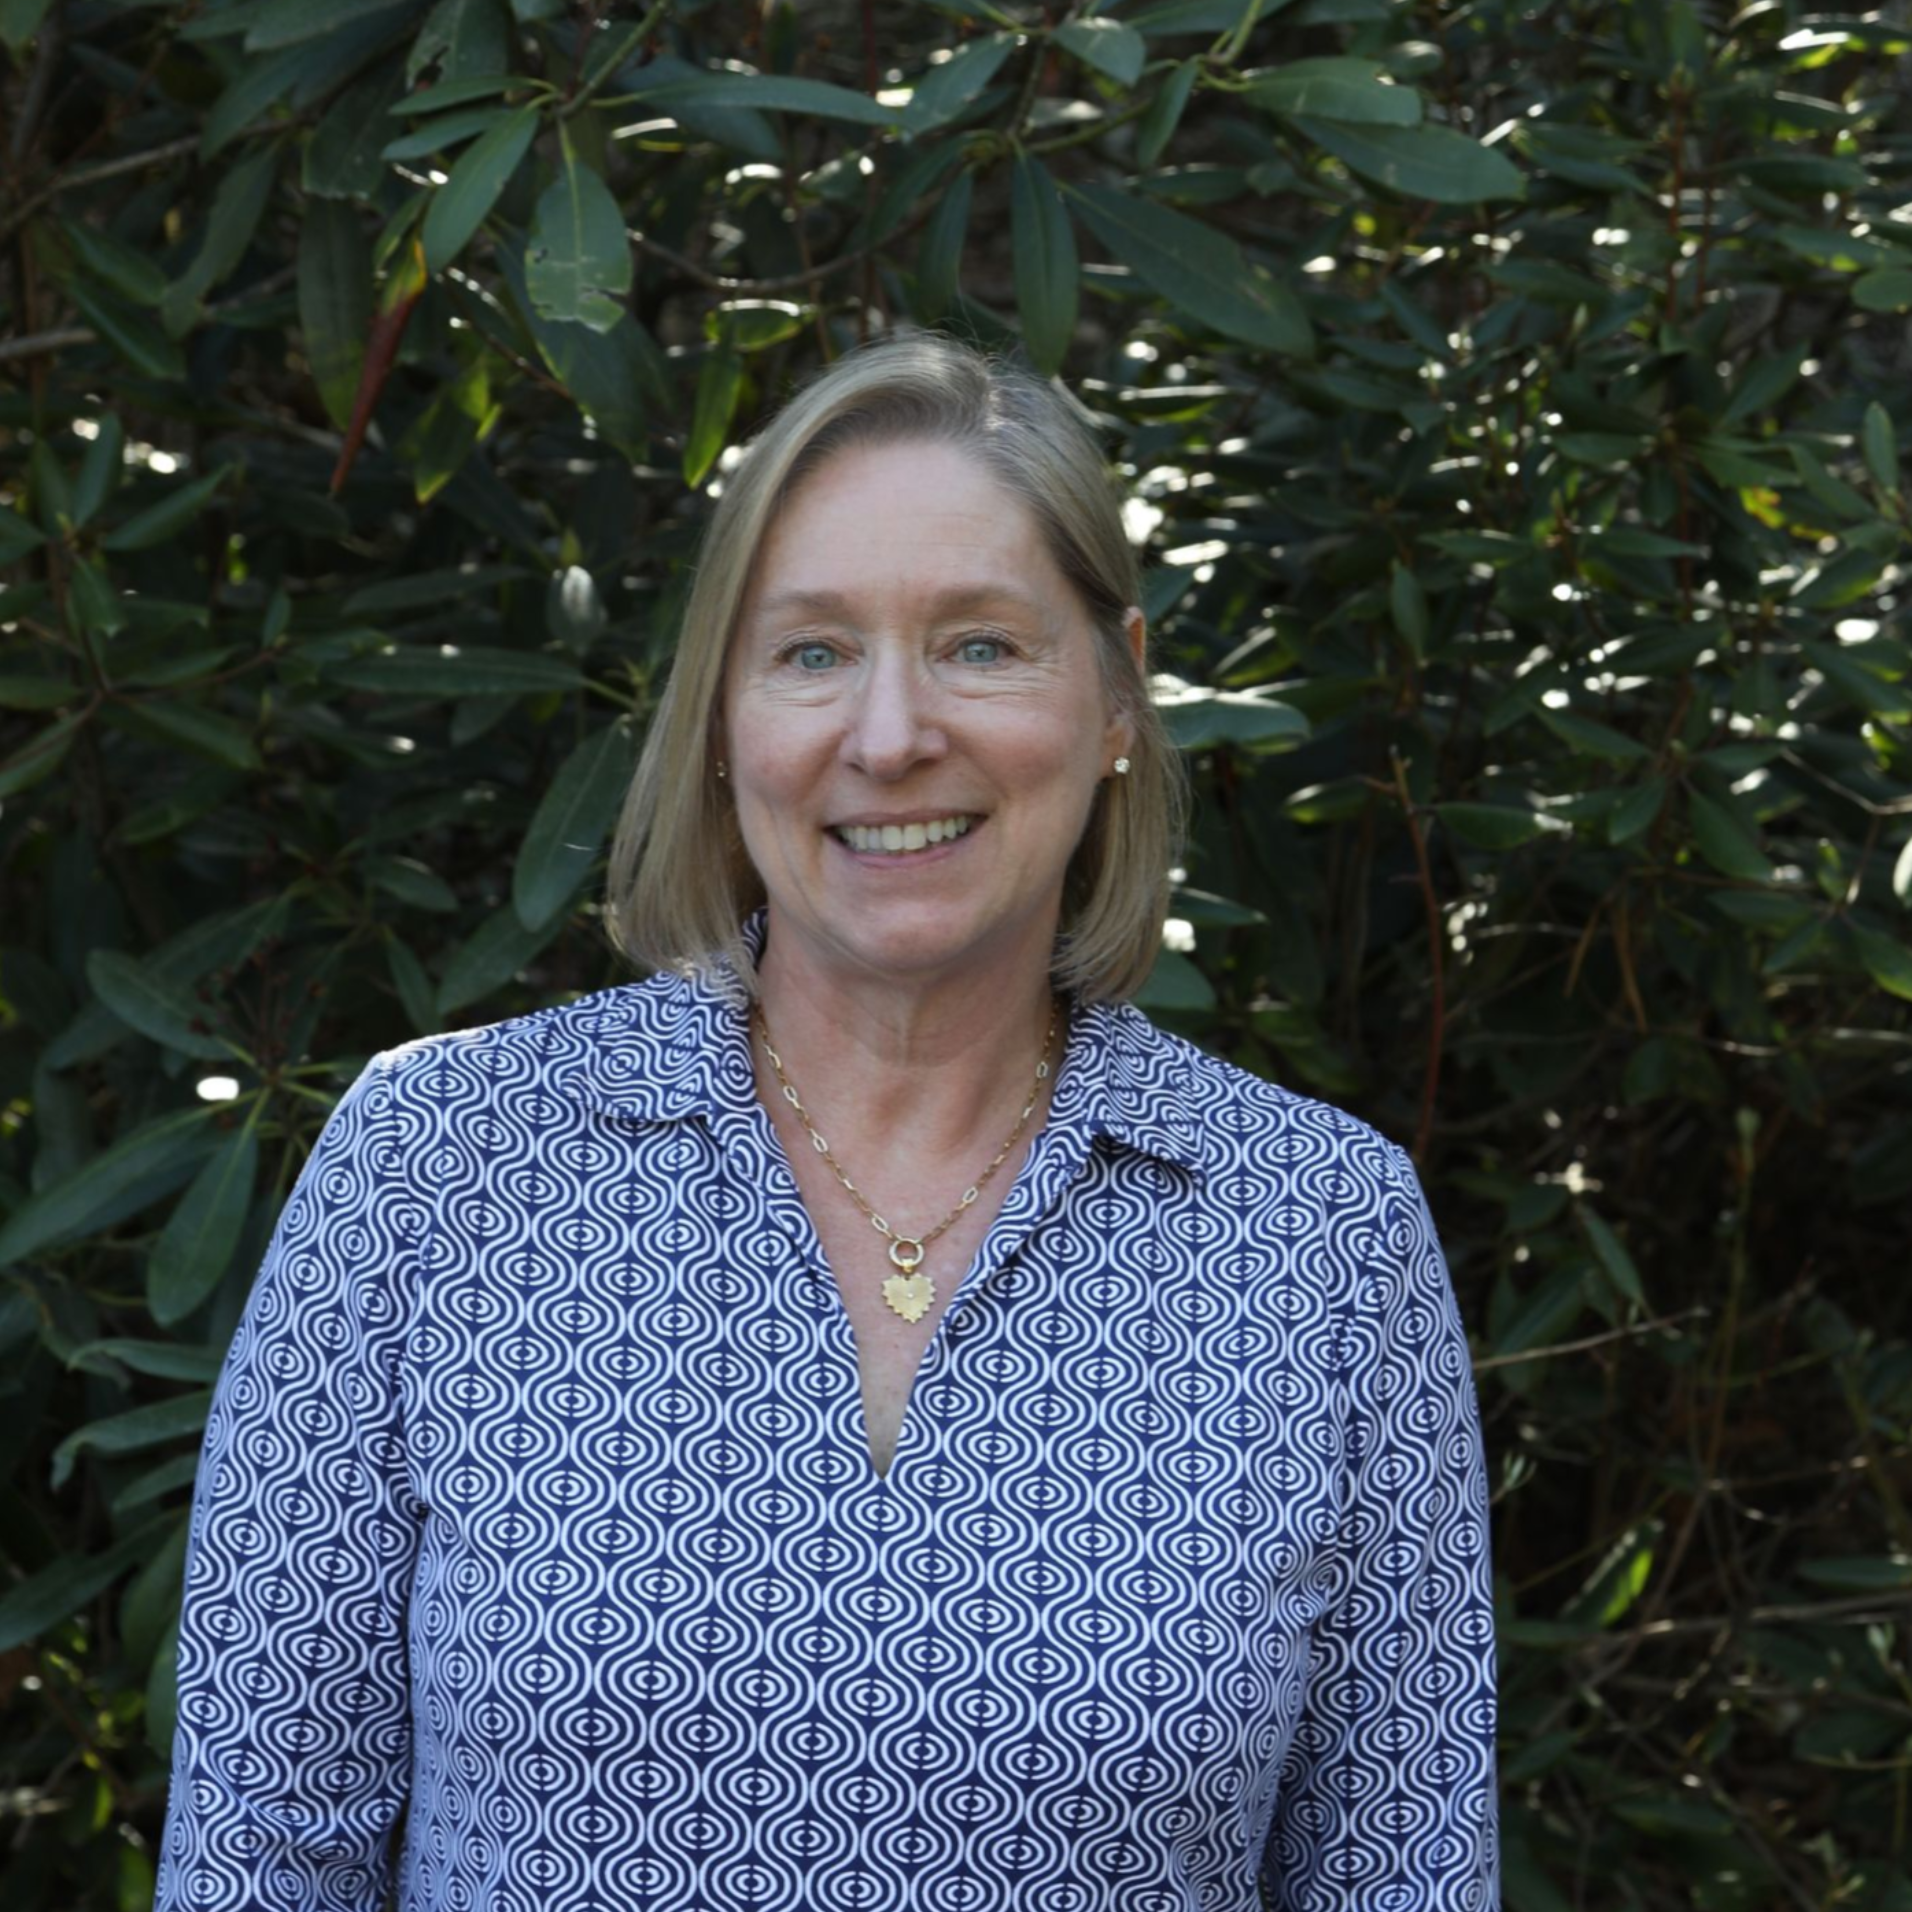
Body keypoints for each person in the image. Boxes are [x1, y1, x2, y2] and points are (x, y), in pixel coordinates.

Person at [154, 333, 1499, 1912]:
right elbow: (256, 1860)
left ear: (1118, 694)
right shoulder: (439, 1165)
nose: (890, 734)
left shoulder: (1322, 1233)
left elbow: (1407, 1875)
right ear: (722, 720)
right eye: (811, 653)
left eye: (981, 644)